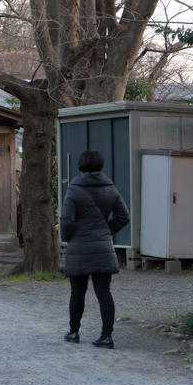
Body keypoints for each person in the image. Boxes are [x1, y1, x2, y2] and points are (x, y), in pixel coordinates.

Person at [59, 149, 130, 348]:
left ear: (81, 166)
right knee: (104, 292)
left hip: (79, 246)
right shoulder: (110, 187)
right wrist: (107, 230)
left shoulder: (74, 188)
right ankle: (106, 336)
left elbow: (66, 220)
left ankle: (74, 332)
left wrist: (67, 238)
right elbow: (124, 216)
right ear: (101, 165)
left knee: (77, 292)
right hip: (103, 245)